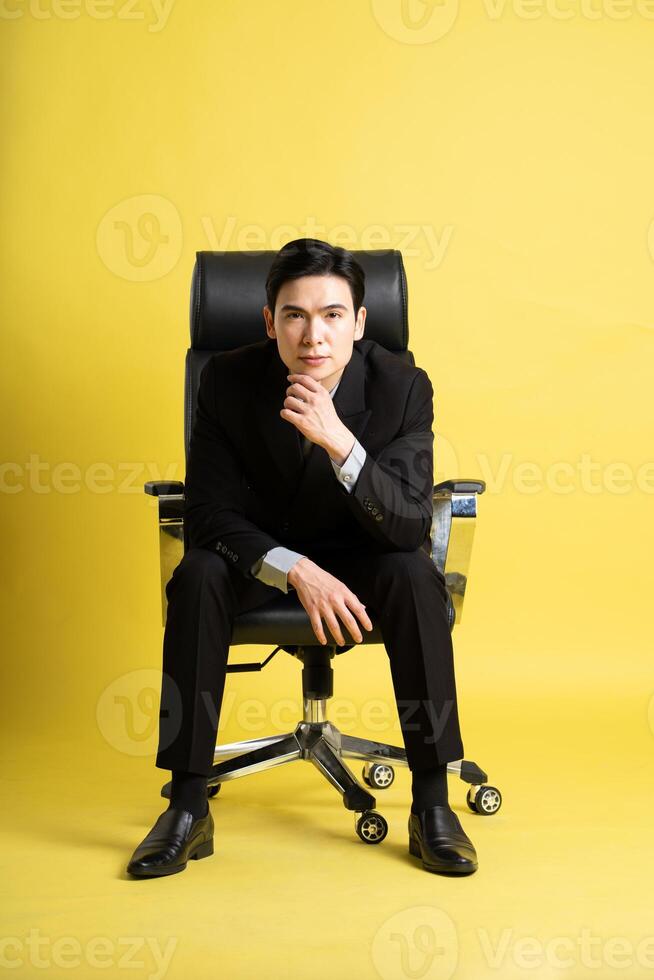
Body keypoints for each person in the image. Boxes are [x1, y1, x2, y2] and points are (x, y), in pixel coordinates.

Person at [126, 238, 478, 878]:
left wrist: (340, 444)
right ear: (269, 323)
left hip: (363, 559)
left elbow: (403, 527)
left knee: (416, 574)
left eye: (332, 315)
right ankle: (185, 807)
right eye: (294, 315)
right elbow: (208, 514)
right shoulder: (227, 381)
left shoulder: (402, 388)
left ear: (361, 322)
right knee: (197, 572)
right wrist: (294, 568)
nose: (313, 336)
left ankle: (432, 805)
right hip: (261, 562)